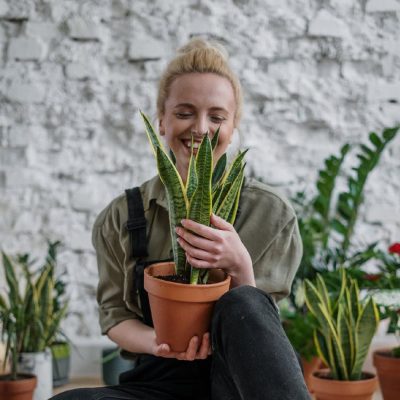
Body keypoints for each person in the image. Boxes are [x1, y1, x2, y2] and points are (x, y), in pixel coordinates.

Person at [51, 38, 310, 400]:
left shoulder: (270, 213)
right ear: (161, 120)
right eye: (184, 113)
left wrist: (240, 266)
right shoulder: (122, 216)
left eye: (217, 117)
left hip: (237, 384)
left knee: (245, 302)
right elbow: (115, 316)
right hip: (160, 384)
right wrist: (160, 342)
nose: (200, 129)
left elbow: (259, 330)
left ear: (233, 126)